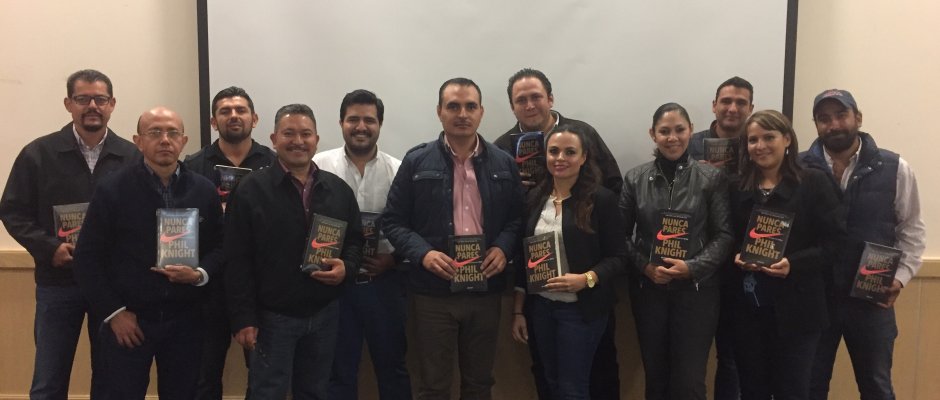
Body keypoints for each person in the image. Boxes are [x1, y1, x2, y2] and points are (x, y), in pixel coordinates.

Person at [0, 69, 140, 399]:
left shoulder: (132, 157)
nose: (92, 106)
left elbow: (143, 217)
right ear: (68, 104)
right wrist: (50, 248)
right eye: (82, 99)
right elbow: (12, 211)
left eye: (100, 99)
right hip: (58, 283)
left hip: (111, 287)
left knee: (111, 381)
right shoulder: (38, 153)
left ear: (112, 104)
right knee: (49, 380)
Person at [383, 77, 524, 399]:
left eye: (470, 106)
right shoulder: (416, 161)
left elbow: (518, 218)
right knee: (433, 385)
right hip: (432, 292)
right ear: (439, 112)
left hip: (485, 291)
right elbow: (393, 221)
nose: (462, 114)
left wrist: (503, 247)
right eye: (453, 106)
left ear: (481, 112)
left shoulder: (503, 162)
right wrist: (423, 254)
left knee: (479, 383)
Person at [71, 106, 224, 398]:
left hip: (186, 320)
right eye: (155, 132)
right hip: (129, 320)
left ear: (184, 141)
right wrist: (115, 313)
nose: (165, 140)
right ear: (138, 141)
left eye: (172, 133)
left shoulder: (204, 190)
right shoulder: (112, 189)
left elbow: (220, 247)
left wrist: (199, 274)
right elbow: (87, 259)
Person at [494, 67, 623, 399]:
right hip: (540, 301)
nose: (530, 105)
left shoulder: (584, 135)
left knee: (594, 375)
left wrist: (589, 273)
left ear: (550, 98)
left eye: (536, 96)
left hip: (585, 300)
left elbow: (614, 191)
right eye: (521, 100)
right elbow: (508, 225)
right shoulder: (502, 150)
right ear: (512, 106)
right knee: (549, 378)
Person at [224, 103, 363, 399]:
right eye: (289, 133)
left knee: (314, 392)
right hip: (271, 318)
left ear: (316, 140)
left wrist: (347, 268)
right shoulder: (249, 190)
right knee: (266, 392)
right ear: (274, 139)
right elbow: (236, 260)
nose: (298, 141)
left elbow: (355, 241)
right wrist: (243, 318)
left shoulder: (338, 190)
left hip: (324, 314)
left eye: (306, 134)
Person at [802, 89, 926, 400]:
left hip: (871, 299)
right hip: (815, 298)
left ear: (857, 117)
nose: (834, 125)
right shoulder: (798, 166)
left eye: (841, 115)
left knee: (876, 387)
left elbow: (912, 230)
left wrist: (900, 278)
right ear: (816, 124)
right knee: (809, 388)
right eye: (824, 118)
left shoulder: (895, 167)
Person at [619, 102, 733, 400]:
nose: (673, 138)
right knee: (656, 377)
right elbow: (620, 236)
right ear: (653, 134)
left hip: (697, 293)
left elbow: (724, 236)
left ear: (691, 130)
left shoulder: (712, 178)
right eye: (664, 131)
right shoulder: (634, 179)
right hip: (649, 291)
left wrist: (692, 267)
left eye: (679, 130)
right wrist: (645, 267)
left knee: (689, 381)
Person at [729, 110, 845, 399]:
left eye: (769, 137)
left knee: (792, 391)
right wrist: (736, 256)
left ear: (787, 140)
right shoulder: (736, 186)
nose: (760, 146)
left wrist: (793, 264)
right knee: (751, 390)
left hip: (799, 310)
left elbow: (837, 244)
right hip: (749, 309)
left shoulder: (814, 182)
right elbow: (727, 236)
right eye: (753, 140)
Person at [313, 89, 412, 399]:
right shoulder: (318, 166)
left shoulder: (399, 170)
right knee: (338, 370)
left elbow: (411, 226)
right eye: (353, 119)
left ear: (379, 124)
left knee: (393, 367)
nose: (361, 126)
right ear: (341, 122)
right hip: (332, 287)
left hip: (383, 284)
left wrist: (393, 259)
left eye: (369, 120)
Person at [184, 86, 276, 400]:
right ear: (213, 121)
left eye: (241, 110)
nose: (233, 116)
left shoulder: (274, 164)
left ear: (255, 118)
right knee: (203, 376)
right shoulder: (193, 165)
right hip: (207, 287)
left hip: (259, 288)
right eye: (225, 111)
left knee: (263, 377)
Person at [687, 76, 754, 400]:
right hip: (694, 263)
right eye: (726, 101)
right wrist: (692, 177)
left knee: (732, 355)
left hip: (741, 264)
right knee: (690, 356)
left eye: (741, 102)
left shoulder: (758, 145)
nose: (732, 108)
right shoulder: (690, 145)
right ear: (714, 106)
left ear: (751, 108)